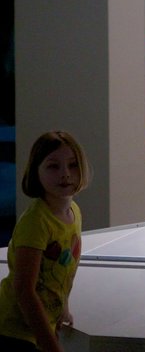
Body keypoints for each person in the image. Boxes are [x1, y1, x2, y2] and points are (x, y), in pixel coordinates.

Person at [0, 131, 90, 352]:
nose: (65, 174)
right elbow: (24, 289)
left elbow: (64, 271)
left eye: (73, 165)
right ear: (36, 171)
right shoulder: (36, 222)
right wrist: (49, 342)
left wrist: (62, 309)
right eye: (53, 166)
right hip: (14, 329)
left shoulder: (74, 212)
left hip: (39, 325)